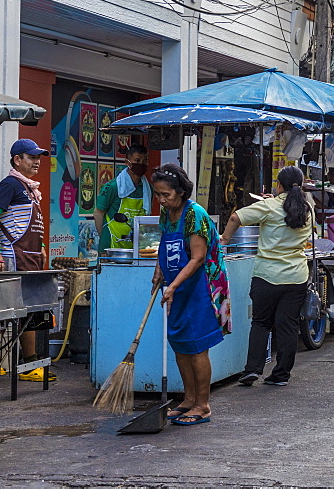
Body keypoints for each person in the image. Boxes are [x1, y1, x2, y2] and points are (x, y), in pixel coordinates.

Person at [150, 163, 231, 426]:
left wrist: (173, 286)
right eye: (158, 195)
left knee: (197, 347)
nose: (162, 200)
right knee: (180, 344)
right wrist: (159, 271)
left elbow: (197, 258)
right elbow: (165, 244)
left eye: (166, 195)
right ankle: (187, 400)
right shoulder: (167, 214)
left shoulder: (193, 214)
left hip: (200, 289)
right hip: (177, 287)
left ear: (181, 192)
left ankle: (203, 405)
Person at [221, 165, 313, 388]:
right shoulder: (307, 208)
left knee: (261, 323)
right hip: (296, 276)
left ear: (279, 185)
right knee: (288, 326)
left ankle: (253, 369)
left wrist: (224, 240)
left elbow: (236, 217)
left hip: (267, 276)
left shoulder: (269, 206)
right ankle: (281, 374)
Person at [0, 139, 52, 381]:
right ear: (17, 160)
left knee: (10, 311)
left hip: (28, 257)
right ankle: (30, 366)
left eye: (38, 157)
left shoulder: (28, 187)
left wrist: (40, 246)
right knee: (22, 310)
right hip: (12, 258)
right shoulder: (10, 185)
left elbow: (27, 223)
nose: (37, 161)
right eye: (31, 157)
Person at [94, 144, 151, 253]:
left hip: (136, 245)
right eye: (137, 160)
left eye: (145, 161)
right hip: (111, 243)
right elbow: (98, 213)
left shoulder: (148, 189)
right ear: (127, 162)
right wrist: (105, 235)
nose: (141, 164)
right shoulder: (113, 187)